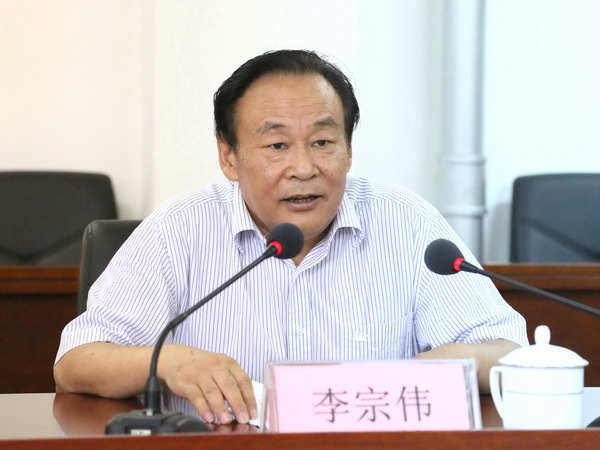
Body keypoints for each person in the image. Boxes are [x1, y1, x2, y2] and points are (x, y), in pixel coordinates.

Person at [54, 49, 527, 426]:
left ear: (348, 149)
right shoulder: (179, 229)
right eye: (277, 145)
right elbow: (75, 363)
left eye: (322, 142)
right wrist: (169, 361)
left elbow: (507, 351)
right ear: (229, 157)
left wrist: (427, 371)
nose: (304, 168)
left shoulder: (407, 222)